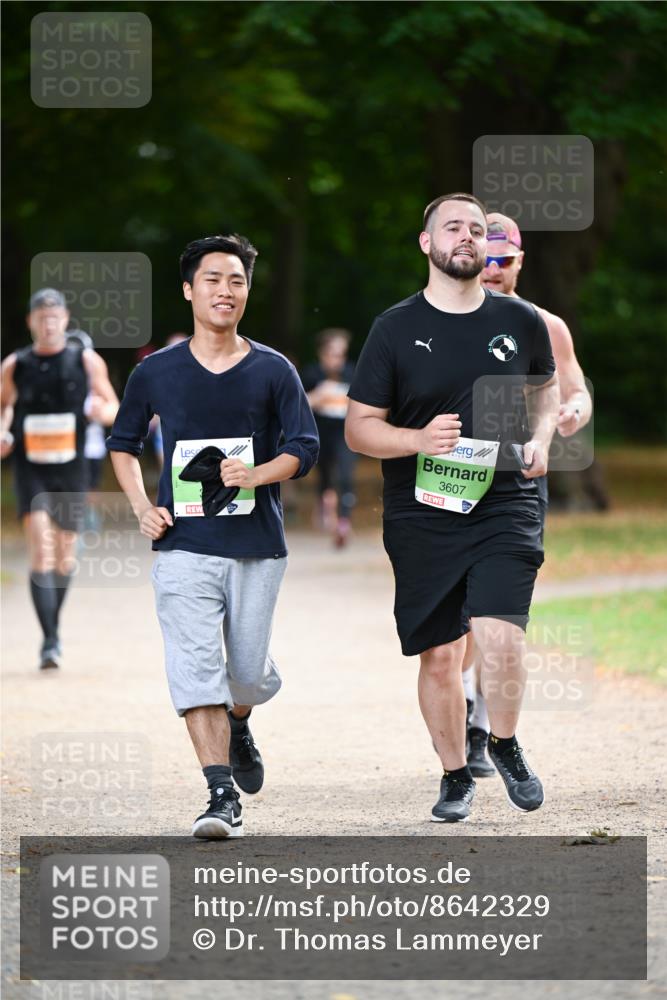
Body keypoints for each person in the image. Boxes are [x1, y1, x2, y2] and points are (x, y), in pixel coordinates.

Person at [345, 193, 559, 823]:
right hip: (423, 507)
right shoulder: (393, 327)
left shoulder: (520, 321)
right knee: (440, 653)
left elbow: (546, 390)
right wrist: (415, 439)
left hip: (504, 498)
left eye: (475, 229)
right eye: (453, 228)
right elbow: (360, 429)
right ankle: (455, 775)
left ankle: (505, 741)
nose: (468, 237)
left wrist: (542, 438)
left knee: (500, 632)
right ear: (426, 243)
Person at [107, 234, 319, 839]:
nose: (226, 291)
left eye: (237, 281)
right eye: (213, 280)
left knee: (244, 674)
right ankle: (220, 794)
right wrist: (143, 506)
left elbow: (304, 446)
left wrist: (257, 474)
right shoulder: (156, 372)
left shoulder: (273, 369)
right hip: (183, 547)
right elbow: (122, 446)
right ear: (187, 290)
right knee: (196, 667)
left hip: (256, 544)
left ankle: (242, 716)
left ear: (247, 292)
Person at [463, 213, 594, 778]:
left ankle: (483, 726)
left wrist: (573, 412)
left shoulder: (545, 324)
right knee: (458, 615)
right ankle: (466, 697)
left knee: (499, 611)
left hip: (517, 480)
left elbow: (576, 386)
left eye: (504, 260)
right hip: (450, 477)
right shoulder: (440, 316)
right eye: (485, 259)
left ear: (520, 261)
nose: (493, 270)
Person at [0, 289, 119, 670]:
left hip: (72, 468)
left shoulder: (85, 360)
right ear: (31, 322)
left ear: (65, 320)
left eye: (55, 316)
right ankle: (49, 641)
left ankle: (53, 631)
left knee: (65, 554)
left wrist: (104, 411)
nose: (49, 323)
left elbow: (114, 406)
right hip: (30, 465)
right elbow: (4, 406)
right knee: (41, 546)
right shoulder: (15, 364)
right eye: (41, 317)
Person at [301, 329, 357, 547]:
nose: (338, 359)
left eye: (341, 354)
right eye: (333, 353)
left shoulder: (352, 373)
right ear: (322, 353)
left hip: (345, 434)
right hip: (320, 434)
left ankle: (343, 521)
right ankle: (326, 505)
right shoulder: (311, 374)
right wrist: (317, 396)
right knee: (325, 476)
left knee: (345, 475)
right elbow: (297, 404)